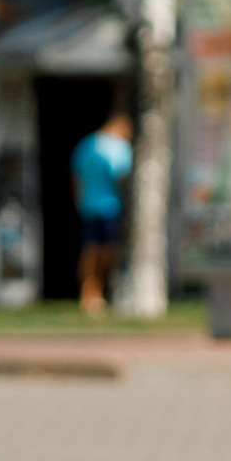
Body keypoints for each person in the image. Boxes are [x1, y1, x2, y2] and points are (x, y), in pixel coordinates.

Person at [71, 109, 133, 316]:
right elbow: (123, 176)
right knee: (107, 251)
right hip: (110, 206)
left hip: (88, 205)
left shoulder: (87, 144)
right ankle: (100, 292)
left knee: (89, 250)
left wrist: (79, 200)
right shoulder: (119, 147)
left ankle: (89, 293)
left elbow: (76, 177)